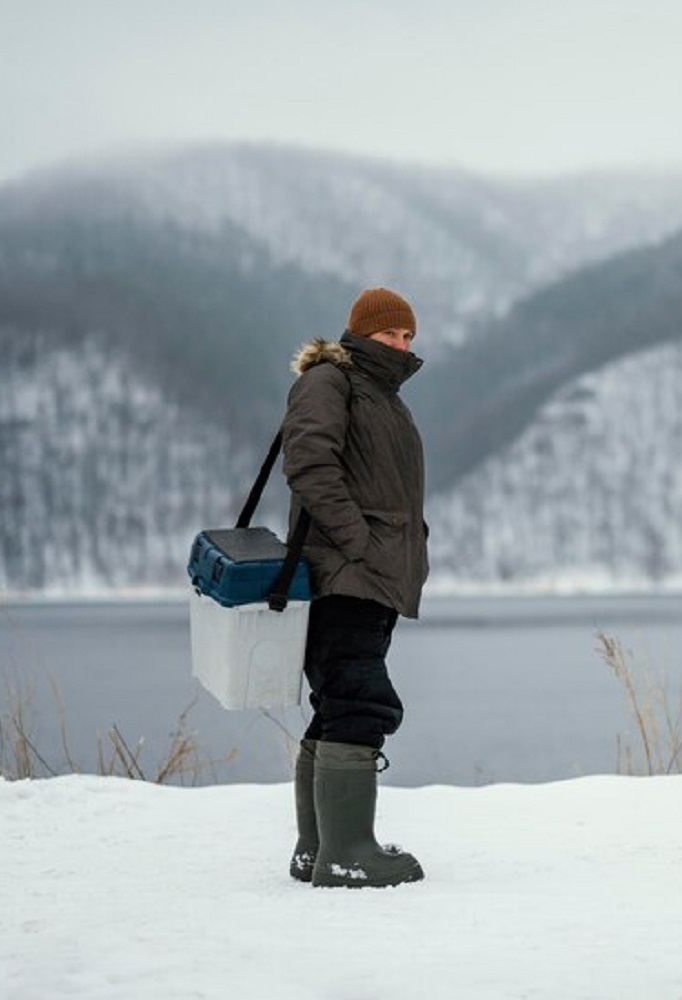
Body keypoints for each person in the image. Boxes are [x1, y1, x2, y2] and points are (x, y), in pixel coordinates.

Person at [280, 286, 429, 888]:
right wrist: (358, 540)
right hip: (346, 575)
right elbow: (309, 463)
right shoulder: (330, 382)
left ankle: (316, 850)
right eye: (392, 333)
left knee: (338, 703)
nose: (402, 344)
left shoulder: (380, 395)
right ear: (361, 333)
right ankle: (347, 856)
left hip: (369, 576)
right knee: (360, 702)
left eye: (409, 336)